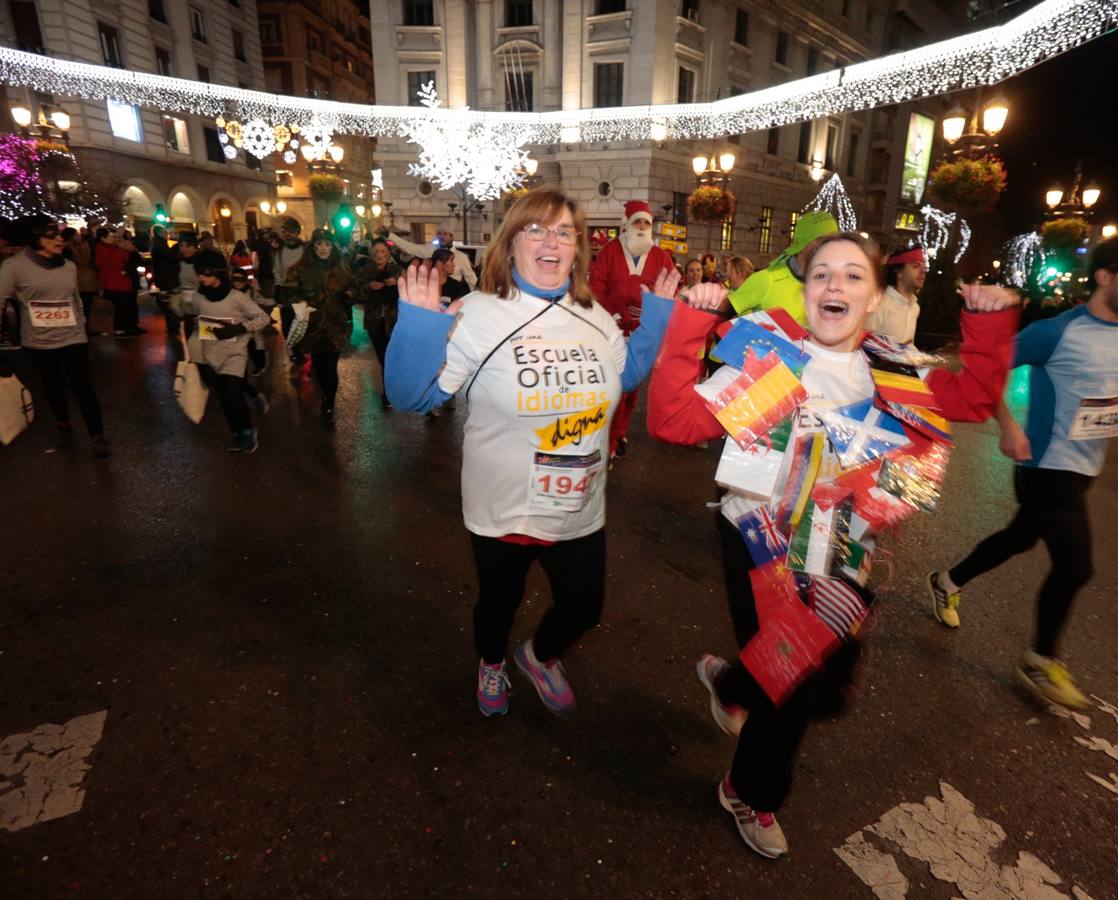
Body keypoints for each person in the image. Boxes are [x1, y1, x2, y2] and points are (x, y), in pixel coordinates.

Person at [648, 231, 1019, 859]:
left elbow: (976, 400)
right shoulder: (774, 358)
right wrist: (689, 325)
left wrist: (988, 325)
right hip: (760, 539)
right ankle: (748, 792)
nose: (834, 285)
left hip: (843, 546)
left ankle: (735, 684)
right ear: (805, 290)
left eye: (852, 275)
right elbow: (673, 421)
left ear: (873, 297)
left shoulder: (893, 367)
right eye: (821, 273)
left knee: (830, 688)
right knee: (792, 691)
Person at [383, 188, 676, 719]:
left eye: (564, 232)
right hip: (504, 507)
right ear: (511, 241)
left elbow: (627, 375)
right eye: (536, 229)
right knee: (498, 604)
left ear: (577, 248)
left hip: (577, 504)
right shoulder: (476, 313)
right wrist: (419, 327)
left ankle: (538, 656)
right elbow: (412, 398)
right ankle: (491, 661)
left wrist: (656, 317)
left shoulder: (594, 316)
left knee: (583, 609)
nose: (551, 242)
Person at [928, 232, 1118, 710]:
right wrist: (1008, 426)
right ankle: (1040, 658)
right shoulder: (1055, 331)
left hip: (1087, 466)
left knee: (1021, 537)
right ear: (1105, 276)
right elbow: (985, 373)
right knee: (1075, 565)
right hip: (1045, 463)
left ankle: (946, 580)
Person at [0, 216, 110, 459]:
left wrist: (81, 323)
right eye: (50, 234)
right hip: (38, 341)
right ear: (34, 238)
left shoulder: (68, 266)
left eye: (59, 234)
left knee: (83, 385)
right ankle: (64, 424)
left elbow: (75, 299)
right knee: (53, 385)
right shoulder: (14, 266)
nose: (59, 239)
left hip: (72, 336)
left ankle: (98, 436)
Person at [588, 199, 677, 460]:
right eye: (637, 222)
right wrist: (609, 314)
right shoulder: (610, 251)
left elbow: (670, 292)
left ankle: (619, 433)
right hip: (611, 331)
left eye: (646, 223)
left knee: (632, 390)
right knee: (615, 388)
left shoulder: (661, 257)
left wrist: (652, 313)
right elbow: (596, 287)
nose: (641, 227)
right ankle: (610, 438)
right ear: (626, 224)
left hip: (643, 333)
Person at [172, 262, 269, 452]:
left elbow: (263, 318)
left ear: (217, 273)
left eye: (205, 273)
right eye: (199, 273)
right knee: (224, 398)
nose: (201, 277)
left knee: (234, 395)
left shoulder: (237, 297)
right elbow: (189, 313)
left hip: (235, 354)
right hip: (210, 354)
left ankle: (247, 432)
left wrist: (239, 328)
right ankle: (236, 433)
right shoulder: (198, 297)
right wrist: (180, 310)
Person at [282, 229, 354, 422]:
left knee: (330, 367)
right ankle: (325, 395)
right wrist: (300, 303)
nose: (323, 248)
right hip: (313, 328)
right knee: (320, 367)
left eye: (327, 245)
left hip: (336, 327)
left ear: (333, 247)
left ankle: (328, 404)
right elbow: (286, 295)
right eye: (319, 244)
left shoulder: (341, 269)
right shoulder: (299, 270)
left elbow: (353, 291)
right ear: (312, 247)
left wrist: (351, 295)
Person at [728, 210, 839, 325]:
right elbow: (720, 319)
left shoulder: (831, 287)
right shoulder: (767, 280)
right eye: (822, 241)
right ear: (803, 243)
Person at [354, 236, 402, 408]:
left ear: (388, 254)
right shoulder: (364, 272)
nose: (380, 255)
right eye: (376, 252)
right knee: (383, 357)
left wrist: (398, 282)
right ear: (371, 255)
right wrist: (368, 287)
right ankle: (388, 391)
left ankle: (388, 392)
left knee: (391, 356)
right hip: (374, 320)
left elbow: (408, 290)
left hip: (394, 320)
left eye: (383, 252)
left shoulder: (397, 270)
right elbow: (354, 293)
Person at [866, 244, 926, 345]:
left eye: (924, 267)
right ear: (899, 272)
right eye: (915, 266)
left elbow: (908, 346)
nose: (923, 271)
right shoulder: (879, 305)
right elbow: (863, 345)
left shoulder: (915, 308)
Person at [93, 227, 142, 337]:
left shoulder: (112, 247)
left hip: (120, 280)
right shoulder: (101, 247)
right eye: (111, 236)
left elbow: (125, 257)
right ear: (103, 238)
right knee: (121, 306)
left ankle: (127, 327)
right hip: (113, 281)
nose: (113, 238)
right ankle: (119, 329)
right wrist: (123, 247)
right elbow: (117, 260)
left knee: (126, 305)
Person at [62, 227, 103, 336]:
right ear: (71, 237)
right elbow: (83, 260)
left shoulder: (76, 246)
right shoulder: (72, 248)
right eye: (76, 235)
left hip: (81, 280)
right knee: (83, 306)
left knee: (84, 306)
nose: (79, 236)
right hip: (81, 280)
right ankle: (82, 328)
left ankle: (83, 327)